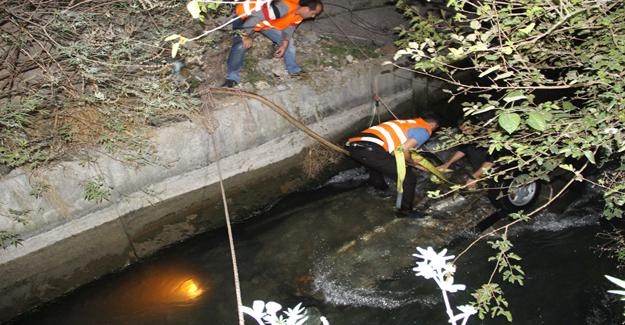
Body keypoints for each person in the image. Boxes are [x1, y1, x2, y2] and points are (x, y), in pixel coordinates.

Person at [346, 116, 440, 218]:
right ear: (433, 125)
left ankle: (378, 187)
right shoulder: (424, 130)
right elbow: (404, 150)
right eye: (433, 129)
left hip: (354, 146)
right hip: (371, 149)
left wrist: (418, 165)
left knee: (376, 163)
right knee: (409, 178)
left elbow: (396, 152)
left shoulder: (405, 122)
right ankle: (405, 211)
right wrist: (412, 163)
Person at [222, 0, 323, 87]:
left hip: (265, 23)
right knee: (241, 46)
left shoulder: (299, 13)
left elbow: (290, 27)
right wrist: (246, 36)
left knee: (289, 44)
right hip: (244, 17)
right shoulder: (283, 7)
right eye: (313, 13)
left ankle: (294, 71)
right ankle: (232, 78)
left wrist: (284, 43)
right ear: (306, 8)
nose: (313, 16)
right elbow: (254, 17)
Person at [437, 123, 493, 189]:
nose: (463, 132)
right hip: (480, 173)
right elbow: (462, 151)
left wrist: (473, 178)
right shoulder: (469, 139)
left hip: (494, 174)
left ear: (474, 127)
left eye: (465, 129)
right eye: (462, 131)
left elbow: (490, 162)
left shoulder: (489, 139)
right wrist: (448, 163)